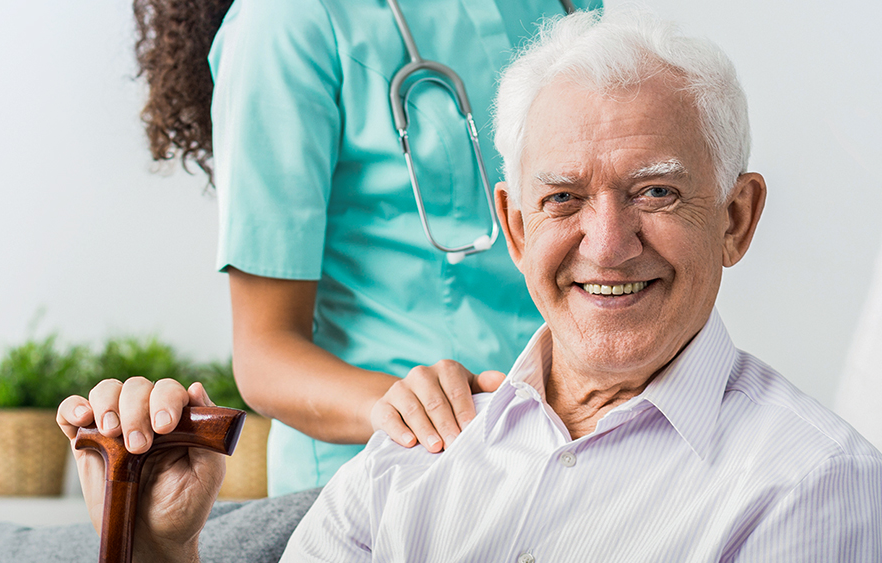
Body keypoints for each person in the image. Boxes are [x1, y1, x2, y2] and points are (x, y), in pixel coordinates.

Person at [278, 8, 882, 561]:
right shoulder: (410, 452)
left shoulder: (814, 481)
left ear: (735, 218)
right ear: (517, 231)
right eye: (563, 198)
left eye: (656, 192)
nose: (609, 245)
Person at [132, 0, 601, 499]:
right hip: (387, 474)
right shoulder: (287, 22)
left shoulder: (570, 8)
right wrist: (413, 407)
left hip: (569, 456)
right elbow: (265, 356)